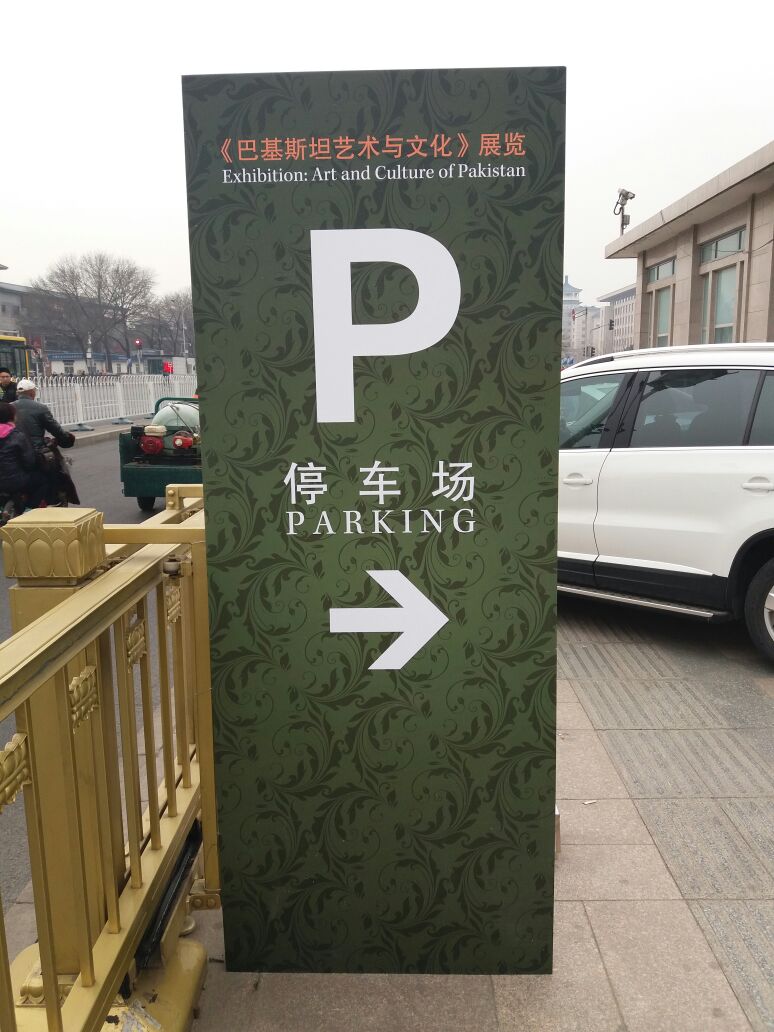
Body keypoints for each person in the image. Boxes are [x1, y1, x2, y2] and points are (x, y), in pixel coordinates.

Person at [0, 402, 48, 519]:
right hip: (13, 481)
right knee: (43, 480)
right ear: (12, 416)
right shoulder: (16, 435)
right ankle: (30, 509)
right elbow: (29, 461)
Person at [13, 378, 76, 455]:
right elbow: (54, 428)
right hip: (36, 449)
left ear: (18, 393)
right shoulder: (40, 407)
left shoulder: (9, 407)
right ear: (32, 392)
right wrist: (66, 438)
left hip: (14, 449)